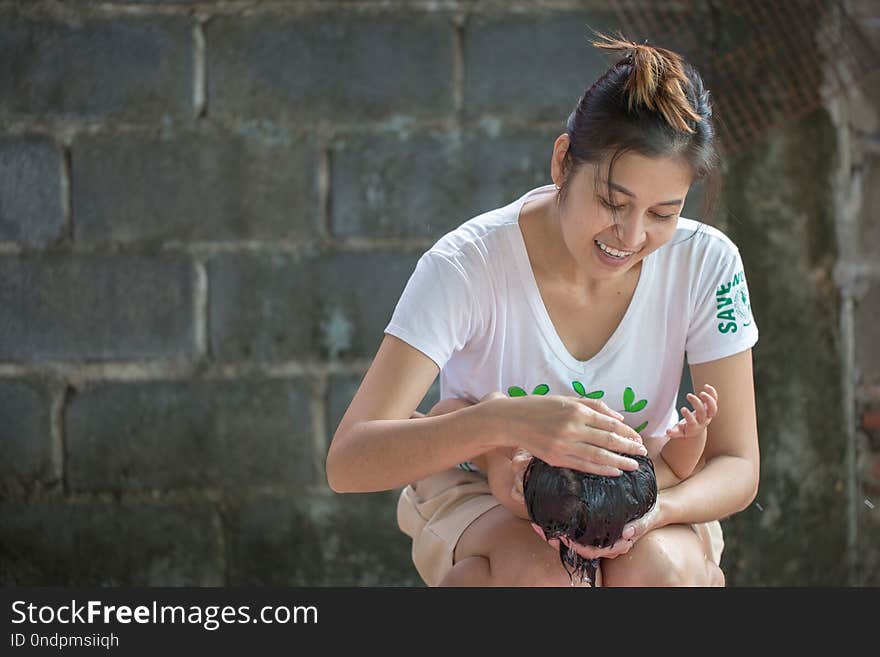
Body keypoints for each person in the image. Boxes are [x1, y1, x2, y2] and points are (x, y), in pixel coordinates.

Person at [326, 31, 760, 587]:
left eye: (662, 213)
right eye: (612, 201)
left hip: (644, 489)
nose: (630, 235)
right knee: (545, 579)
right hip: (484, 486)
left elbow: (738, 463)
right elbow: (349, 461)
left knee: (659, 573)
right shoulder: (467, 265)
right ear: (562, 163)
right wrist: (504, 422)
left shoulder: (707, 263)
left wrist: (658, 512)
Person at [417, 382, 717, 587]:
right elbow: (463, 409)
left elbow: (675, 467)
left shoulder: (632, 480)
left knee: (660, 571)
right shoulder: (516, 485)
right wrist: (502, 422)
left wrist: (693, 434)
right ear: (543, 531)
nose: (601, 560)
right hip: (495, 459)